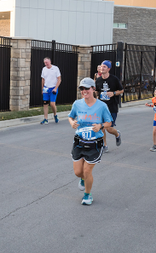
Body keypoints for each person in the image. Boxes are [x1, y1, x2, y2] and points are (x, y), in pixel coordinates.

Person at [68, 77, 112, 206]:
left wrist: (101, 126)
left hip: (95, 143)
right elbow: (70, 116)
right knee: (78, 172)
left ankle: (87, 195)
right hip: (79, 141)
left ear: (93, 89)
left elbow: (109, 122)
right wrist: (72, 123)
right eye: (82, 88)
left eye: (87, 88)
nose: (84, 91)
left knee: (87, 171)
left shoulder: (102, 106)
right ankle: (82, 179)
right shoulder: (77, 104)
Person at [95, 60, 123, 152]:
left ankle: (117, 134)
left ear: (108, 69)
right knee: (102, 127)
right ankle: (104, 145)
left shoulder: (114, 79)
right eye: (101, 66)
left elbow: (121, 90)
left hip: (112, 107)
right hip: (101, 108)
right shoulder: (98, 80)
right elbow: (97, 92)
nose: (102, 68)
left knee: (109, 129)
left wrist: (113, 93)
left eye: (104, 67)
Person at [40, 57, 62, 124]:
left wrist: (55, 88)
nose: (46, 64)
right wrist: (42, 88)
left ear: (50, 62)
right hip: (46, 88)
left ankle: (55, 115)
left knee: (52, 103)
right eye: (44, 63)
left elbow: (59, 79)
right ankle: (46, 118)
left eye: (46, 62)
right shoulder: (44, 69)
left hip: (53, 88)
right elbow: (43, 79)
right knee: (45, 103)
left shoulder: (55, 68)